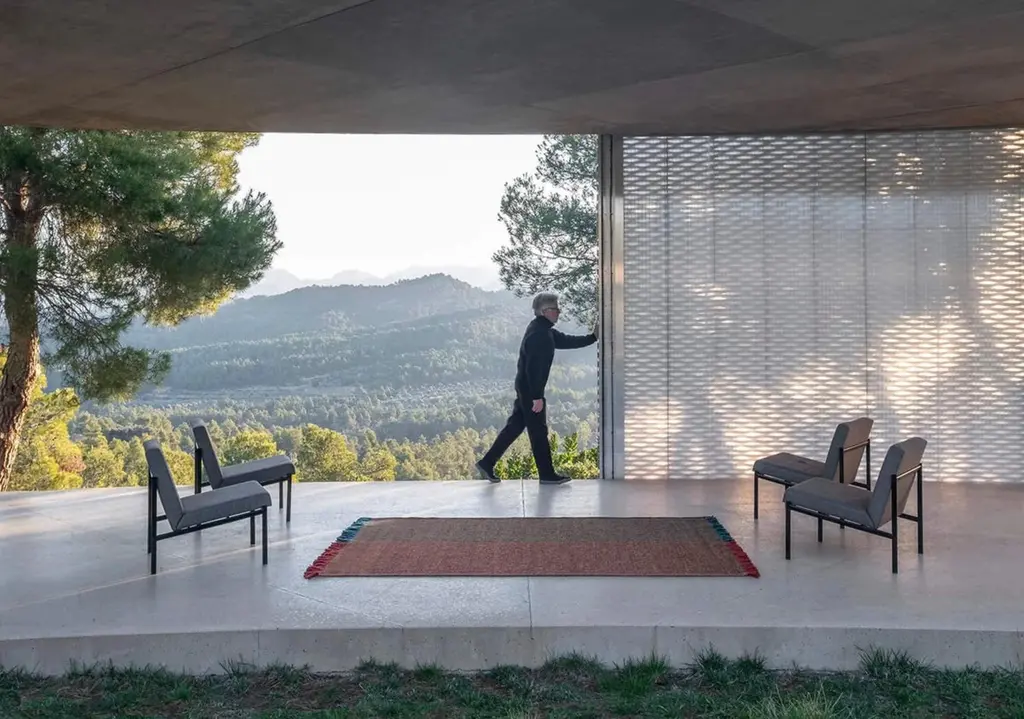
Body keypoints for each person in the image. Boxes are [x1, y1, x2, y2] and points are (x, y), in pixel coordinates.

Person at [476, 291, 597, 484]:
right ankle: (547, 475)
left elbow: (566, 340)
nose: (559, 312)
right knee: (538, 432)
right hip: (530, 390)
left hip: (525, 387)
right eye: (555, 309)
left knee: (515, 426)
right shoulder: (540, 334)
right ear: (544, 311)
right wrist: (536, 397)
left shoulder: (542, 329)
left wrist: (592, 338)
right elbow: (534, 369)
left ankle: (487, 462)